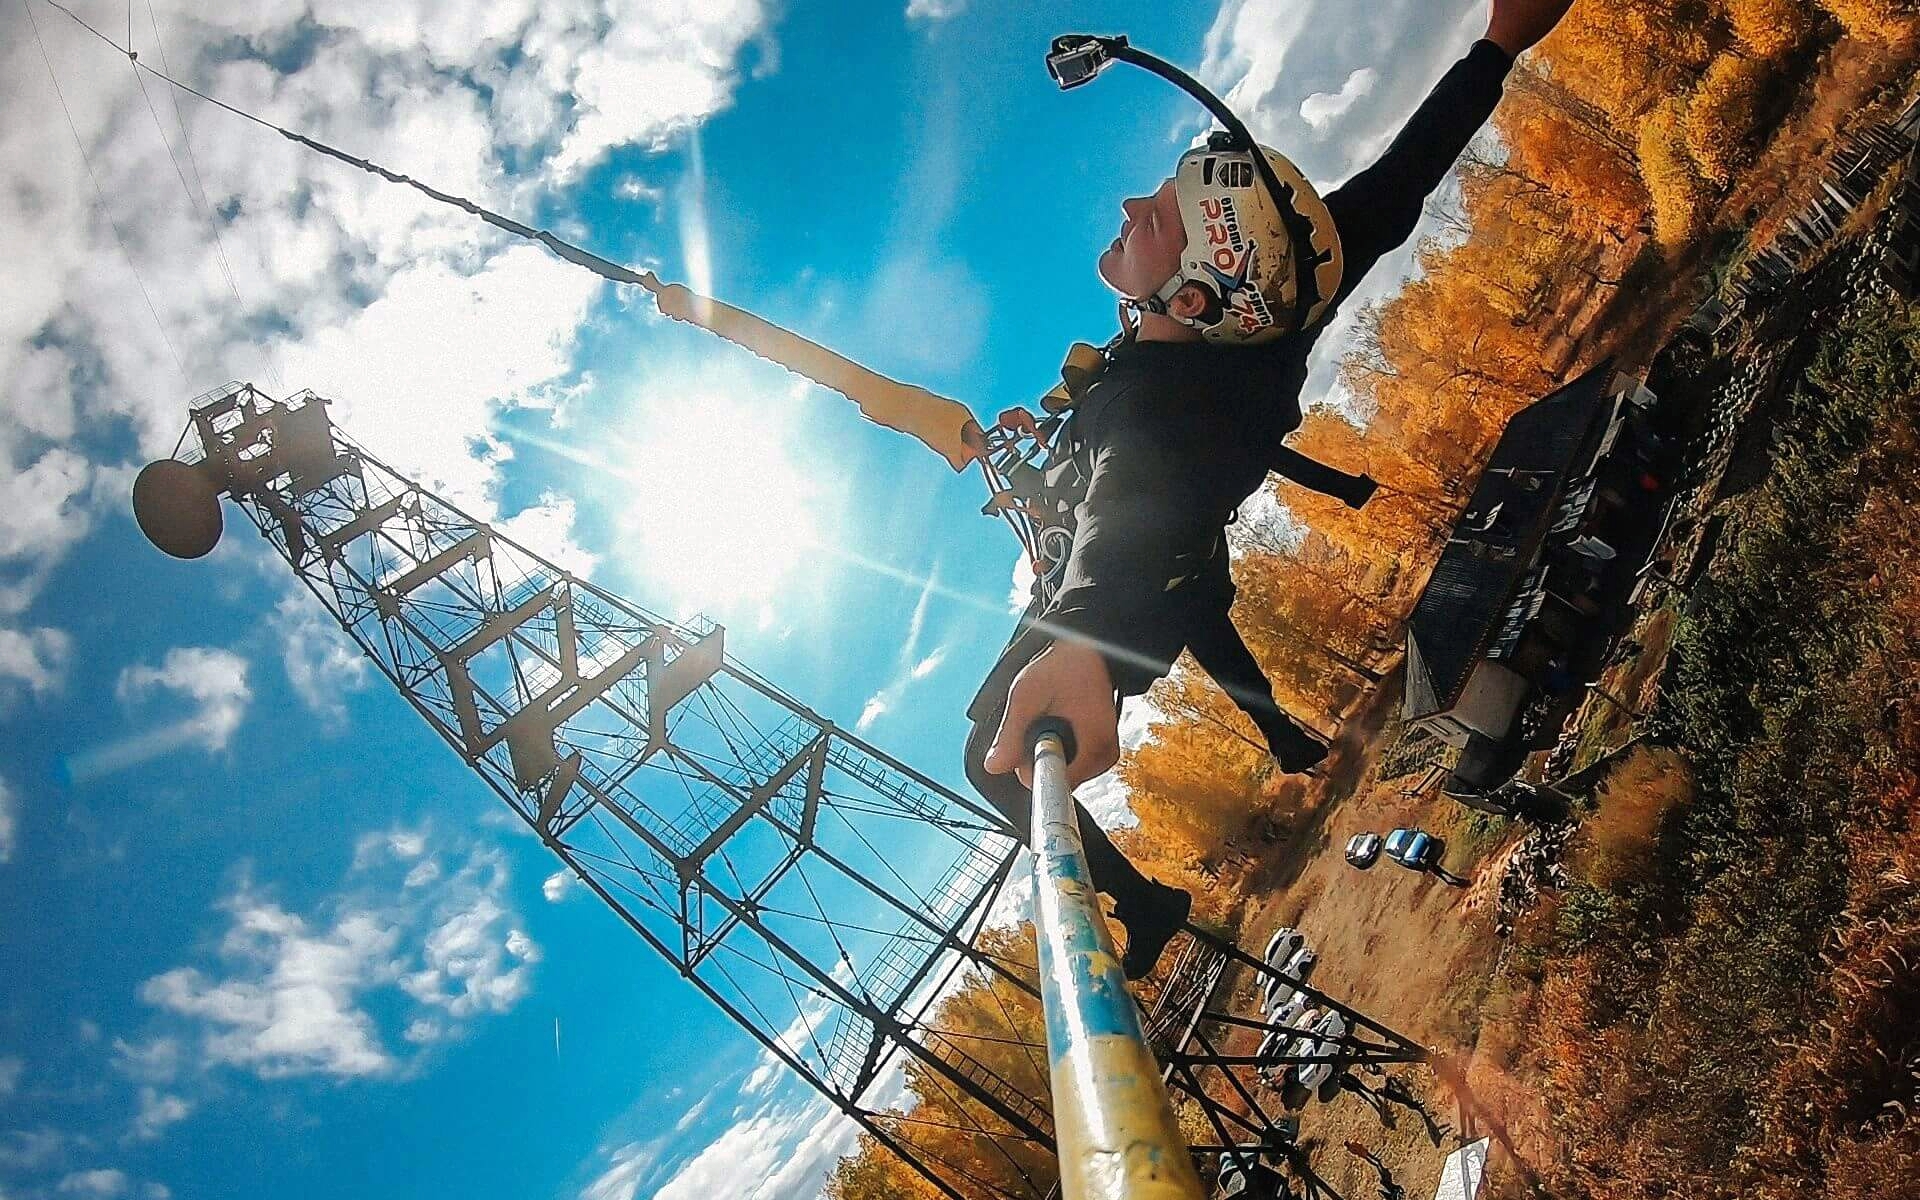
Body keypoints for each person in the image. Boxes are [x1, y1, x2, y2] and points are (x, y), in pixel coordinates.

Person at [967, 0, 1579, 979]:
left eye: (1157, 218)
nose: (1131, 207)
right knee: (997, 745)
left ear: (1197, 293)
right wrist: (1498, 43)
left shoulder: (1165, 409)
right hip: (1124, 577)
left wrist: (1079, 629)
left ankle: (1150, 903)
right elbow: (1389, 194)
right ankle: (1189, 852)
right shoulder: (1256, 316)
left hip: (1123, 588)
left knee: (986, 759)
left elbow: (1133, 497)